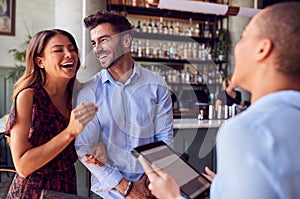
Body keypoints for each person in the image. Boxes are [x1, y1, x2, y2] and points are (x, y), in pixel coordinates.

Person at [140, 2, 300, 199]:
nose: (237, 47)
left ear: (262, 49)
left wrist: (172, 196)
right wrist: (223, 189)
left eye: (243, 37)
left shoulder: (249, 130)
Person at [74, 10, 173, 199]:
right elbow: (84, 148)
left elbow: (164, 137)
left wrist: (147, 180)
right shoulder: (89, 92)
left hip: (151, 188)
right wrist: (125, 187)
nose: (97, 49)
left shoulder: (156, 84)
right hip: (108, 192)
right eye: (94, 43)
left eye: (104, 40)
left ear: (126, 41)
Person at [4, 29, 98, 198]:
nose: (69, 54)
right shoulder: (28, 96)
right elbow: (22, 167)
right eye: (58, 50)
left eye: (72, 49)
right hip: (33, 191)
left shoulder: (80, 94)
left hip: (67, 187)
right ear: (40, 61)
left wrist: (98, 148)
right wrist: (70, 132)